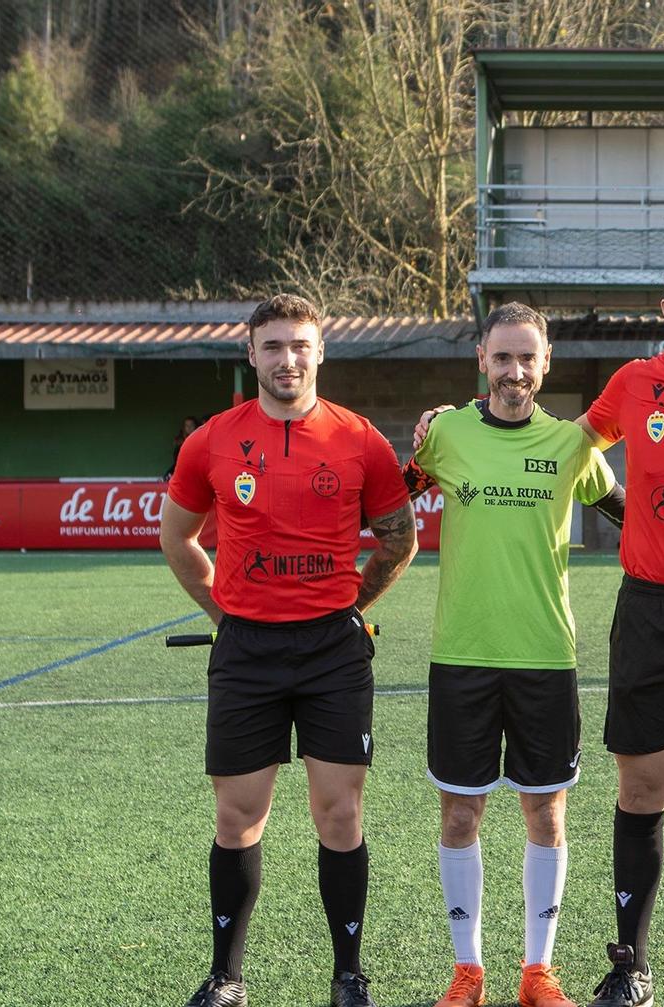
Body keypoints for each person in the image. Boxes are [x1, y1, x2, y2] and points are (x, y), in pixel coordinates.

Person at [415, 254, 664, 1007]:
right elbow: (570, 450)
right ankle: (632, 964)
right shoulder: (630, 385)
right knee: (640, 784)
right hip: (649, 611)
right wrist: (442, 420)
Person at [160, 294, 419, 1007]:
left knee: (340, 811)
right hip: (247, 650)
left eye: (300, 345)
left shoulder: (359, 438)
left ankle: (348, 974)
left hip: (332, 649)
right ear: (251, 354)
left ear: (320, 352)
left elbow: (401, 538)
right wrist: (223, 610)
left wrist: (352, 607)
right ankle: (227, 976)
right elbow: (176, 536)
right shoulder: (211, 440)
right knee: (237, 815)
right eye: (272, 346)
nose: (287, 359)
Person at [406, 302, 627, 1007]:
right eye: (502, 357)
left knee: (546, 814)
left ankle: (538, 970)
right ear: (481, 359)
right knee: (460, 815)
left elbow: (634, 511)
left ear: (545, 363)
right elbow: (386, 499)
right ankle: (467, 969)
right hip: (462, 653)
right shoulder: (444, 434)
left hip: (544, 655)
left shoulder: (571, 445)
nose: (514, 370)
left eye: (526, 358)